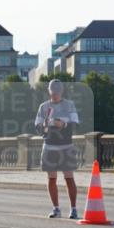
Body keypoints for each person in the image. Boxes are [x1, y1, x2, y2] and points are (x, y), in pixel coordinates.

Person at [34, 79, 80, 218]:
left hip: (66, 146)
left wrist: (64, 125)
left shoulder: (69, 105)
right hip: (49, 146)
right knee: (51, 178)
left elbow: (76, 124)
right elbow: (37, 127)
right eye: (53, 92)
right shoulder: (44, 107)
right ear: (49, 91)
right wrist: (45, 126)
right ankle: (56, 208)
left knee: (69, 177)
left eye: (58, 93)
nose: (55, 95)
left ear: (62, 92)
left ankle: (73, 208)